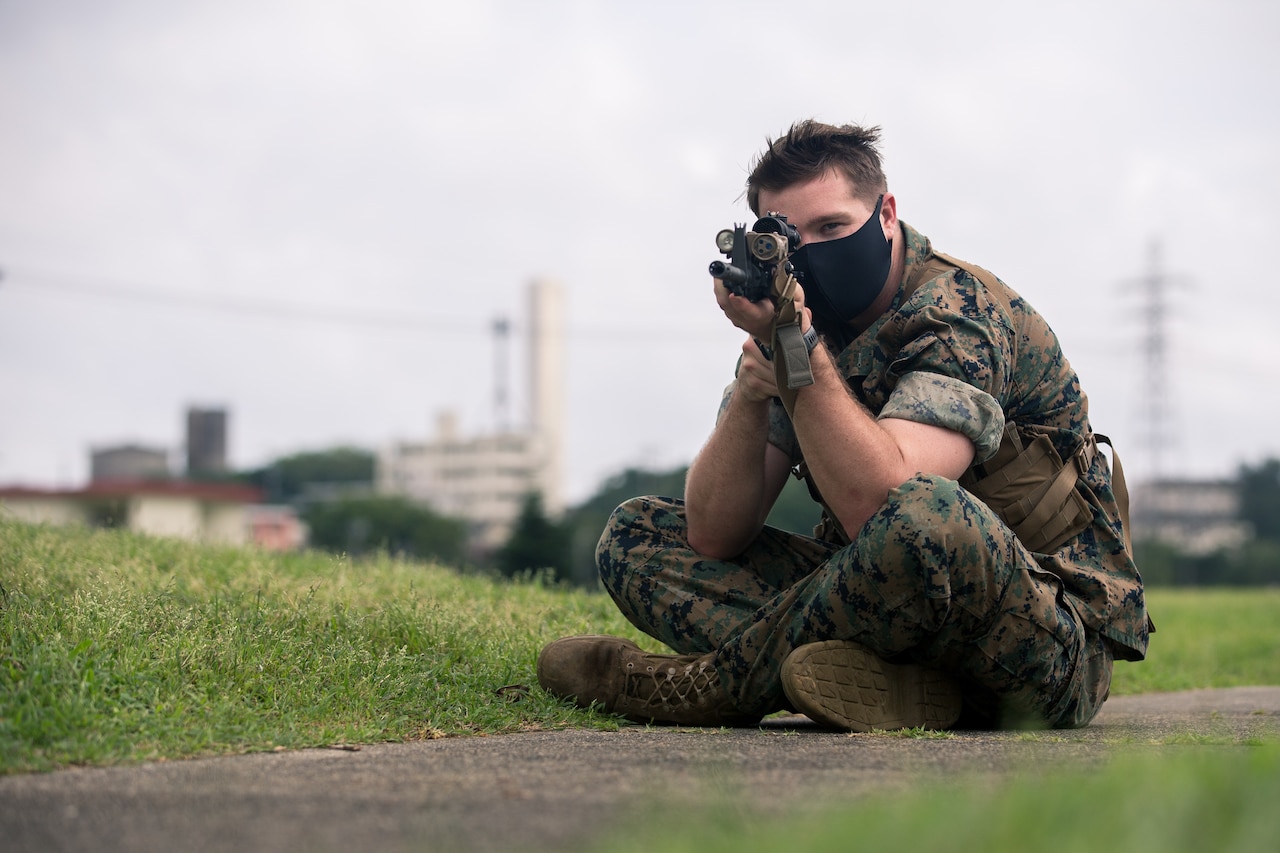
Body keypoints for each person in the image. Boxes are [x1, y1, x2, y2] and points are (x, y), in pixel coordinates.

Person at [537, 120, 1150, 731]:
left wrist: (800, 351)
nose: (815, 250)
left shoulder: (958, 312)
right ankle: (897, 686)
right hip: (890, 609)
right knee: (635, 535)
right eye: (790, 237)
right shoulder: (795, 317)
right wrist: (756, 390)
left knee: (929, 514)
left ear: (885, 214)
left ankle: (706, 686)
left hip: (1047, 643)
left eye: (832, 226)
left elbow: (885, 507)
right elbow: (714, 536)